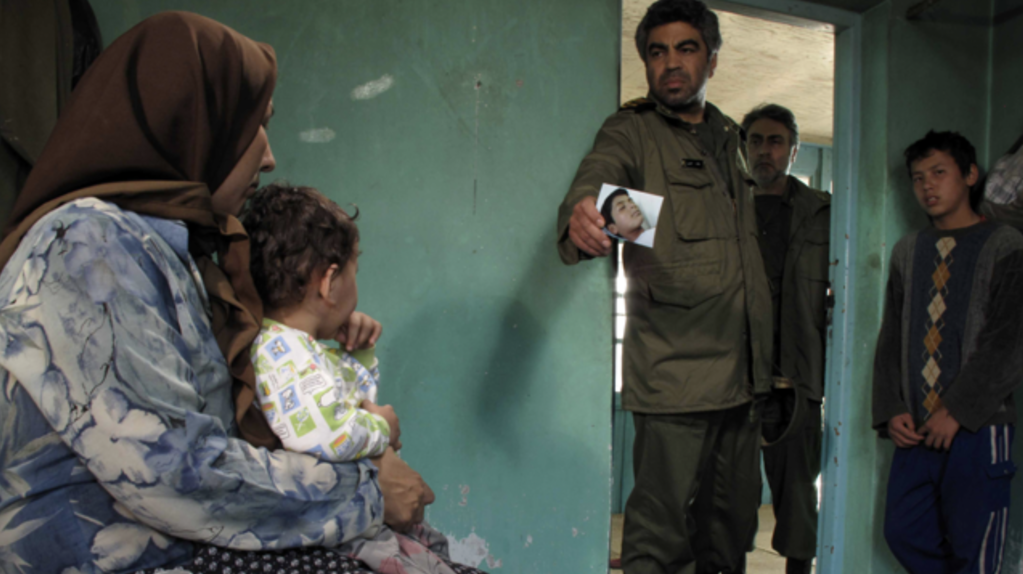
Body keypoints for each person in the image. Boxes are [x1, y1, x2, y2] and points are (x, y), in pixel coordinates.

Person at [0, 12, 479, 574]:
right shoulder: (88, 245)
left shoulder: (177, 256)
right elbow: (172, 472)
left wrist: (326, 340)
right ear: (196, 122)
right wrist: (366, 492)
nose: (269, 156)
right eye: (256, 125)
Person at [556, 0, 772, 571]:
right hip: (676, 374)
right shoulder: (634, 132)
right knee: (658, 541)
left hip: (745, 378)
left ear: (712, 59)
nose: (671, 63)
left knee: (731, 534)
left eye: (686, 48)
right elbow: (601, 181)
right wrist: (584, 212)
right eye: (657, 52)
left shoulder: (730, 136)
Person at [246, 183, 460, 574]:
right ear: (329, 282)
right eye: (354, 270)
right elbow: (321, 433)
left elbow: (344, 400)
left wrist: (357, 352)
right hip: (342, 535)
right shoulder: (281, 352)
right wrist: (382, 427)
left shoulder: (297, 347)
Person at [872, 130, 1023, 574]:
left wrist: (956, 410)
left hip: (978, 427)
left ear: (971, 175)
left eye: (939, 173)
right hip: (917, 427)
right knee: (903, 531)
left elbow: (1009, 342)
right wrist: (891, 409)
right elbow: (891, 339)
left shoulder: (1006, 246)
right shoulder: (908, 251)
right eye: (918, 178)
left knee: (975, 548)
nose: (927, 186)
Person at [741, 103, 830, 574]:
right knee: (730, 499)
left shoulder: (822, 212)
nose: (764, 151)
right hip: (735, 374)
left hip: (797, 377)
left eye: (775, 142)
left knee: (798, 497)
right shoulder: (727, 208)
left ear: (794, 151)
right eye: (755, 141)